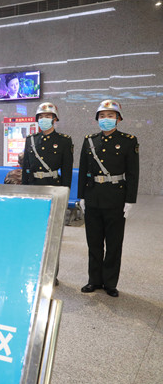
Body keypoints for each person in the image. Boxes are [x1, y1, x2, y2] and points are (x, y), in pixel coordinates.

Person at [78, 100, 139, 298]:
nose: (106, 119)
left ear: (118, 119)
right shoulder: (89, 140)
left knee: (114, 244)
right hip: (93, 196)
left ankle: (110, 283)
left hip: (116, 198)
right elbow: (83, 170)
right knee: (94, 243)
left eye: (110, 116)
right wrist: (81, 196)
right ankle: (94, 280)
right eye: (102, 116)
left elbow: (133, 173)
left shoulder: (129, 141)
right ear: (97, 119)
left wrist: (130, 200)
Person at [22, 102, 73, 188]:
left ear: (54, 119)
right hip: (33, 185)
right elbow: (25, 168)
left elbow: (67, 171)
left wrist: (65, 191)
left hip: (53, 186)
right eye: (40, 117)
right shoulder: (31, 139)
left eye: (47, 116)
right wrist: (24, 188)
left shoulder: (64, 140)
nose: (43, 119)